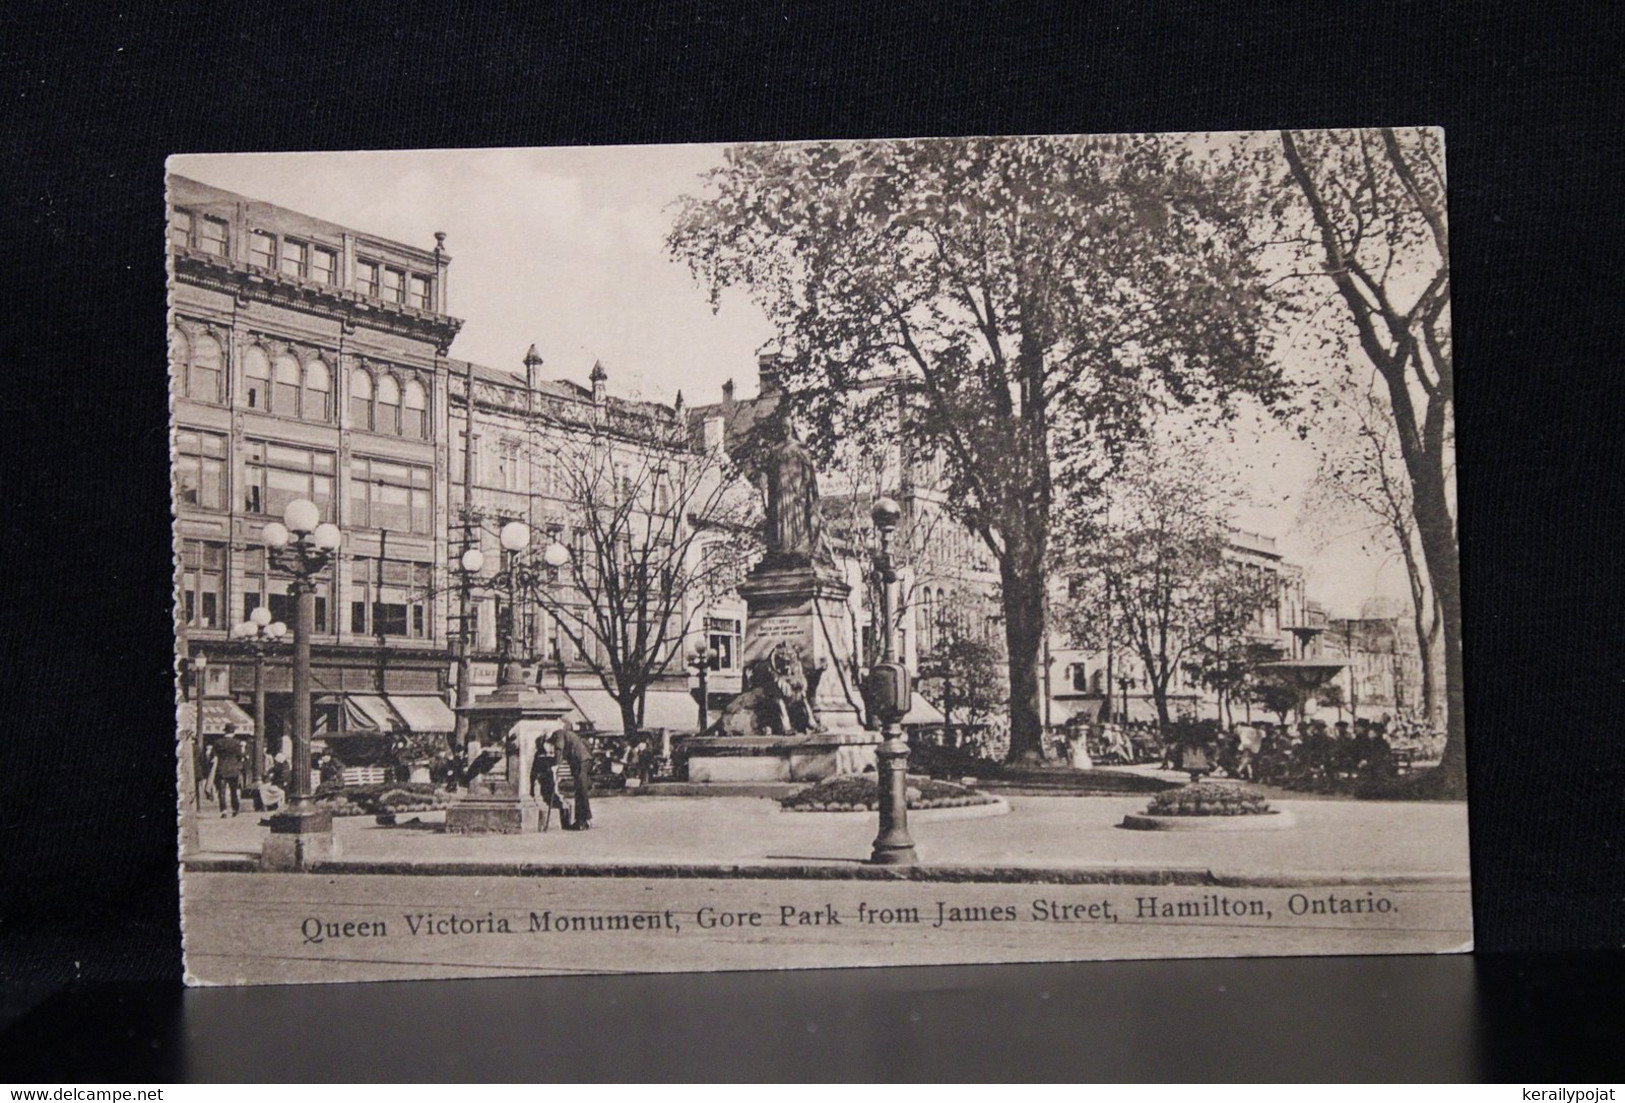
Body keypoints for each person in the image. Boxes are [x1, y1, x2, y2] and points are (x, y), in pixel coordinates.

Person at [548, 724, 595, 830]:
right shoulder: (566, 734)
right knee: (579, 791)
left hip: (581, 761)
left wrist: (555, 765)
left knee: (581, 791)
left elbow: (559, 749)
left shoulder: (558, 734)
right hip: (583, 761)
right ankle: (582, 820)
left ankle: (584, 820)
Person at [210, 723, 247, 817]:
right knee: (233, 791)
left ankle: (224, 811)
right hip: (233, 770)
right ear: (233, 732)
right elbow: (240, 757)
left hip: (221, 769)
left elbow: (212, 756)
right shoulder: (237, 743)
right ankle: (235, 809)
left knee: (221, 791)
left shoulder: (218, 742)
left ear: (225, 731)